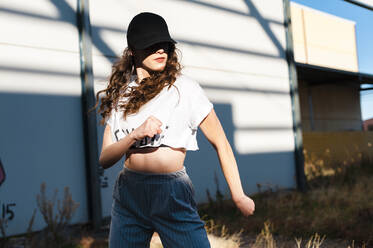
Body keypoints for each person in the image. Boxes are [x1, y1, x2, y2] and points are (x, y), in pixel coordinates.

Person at [93, 12, 255, 248]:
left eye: (165, 45)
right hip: (129, 194)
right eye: (152, 45)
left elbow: (221, 142)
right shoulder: (121, 96)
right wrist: (135, 134)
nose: (161, 51)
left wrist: (238, 194)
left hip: (171, 192)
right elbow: (105, 159)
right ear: (133, 52)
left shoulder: (184, 89)